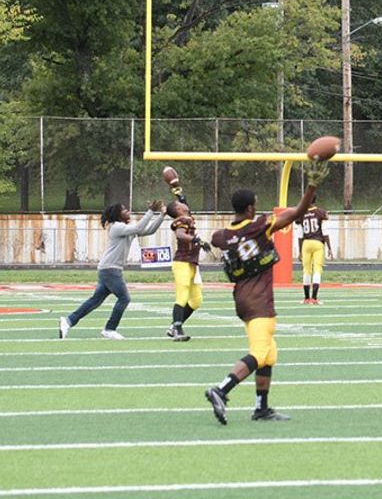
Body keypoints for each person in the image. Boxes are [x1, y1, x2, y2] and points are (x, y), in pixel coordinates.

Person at [204, 161, 327, 424]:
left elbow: (219, 239)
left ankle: (261, 407)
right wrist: (312, 185)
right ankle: (221, 389)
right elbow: (299, 211)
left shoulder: (222, 235)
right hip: (259, 299)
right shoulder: (259, 226)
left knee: (269, 354)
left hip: (242, 299)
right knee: (260, 353)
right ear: (250, 208)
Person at [58, 199, 166, 340]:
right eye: (124, 210)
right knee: (124, 298)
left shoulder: (126, 229)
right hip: (111, 269)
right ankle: (110, 329)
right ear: (118, 215)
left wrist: (162, 215)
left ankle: (68, 321)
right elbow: (139, 228)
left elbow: (149, 231)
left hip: (108, 269)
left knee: (95, 301)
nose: (128, 211)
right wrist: (151, 211)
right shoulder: (116, 227)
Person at [165, 173, 203, 341]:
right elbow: (180, 235)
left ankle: (174, 325)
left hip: (192, 263)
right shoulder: (181, 220)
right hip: (182, 262)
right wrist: (195, 239)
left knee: (196, 301)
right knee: (182, 295)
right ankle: (177, 329)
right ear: (178, 210)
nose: (184, 204)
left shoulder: (187, 217)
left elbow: (183, 199)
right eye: (180, 204)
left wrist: (175, 186)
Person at [297, 193, 331, 304]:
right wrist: (329, 247)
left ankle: (306, 298)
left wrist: (299, 250)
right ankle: (314, 298)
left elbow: (300, 234)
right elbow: (325, 232)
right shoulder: (321, 212)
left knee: (306, 270)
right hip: (317, 243)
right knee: (317, 270)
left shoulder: (301, 213)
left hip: (306, 243)